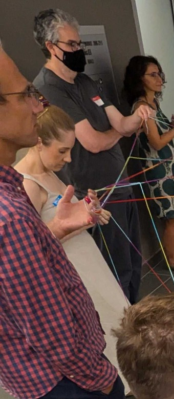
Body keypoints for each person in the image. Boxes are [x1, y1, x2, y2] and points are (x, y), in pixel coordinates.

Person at [0, 42, 125, 399]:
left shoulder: (9, 190)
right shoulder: (7, 212)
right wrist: (103, 377)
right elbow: (51, 330)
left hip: (30, 371)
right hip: (62, 372)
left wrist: (52, 229)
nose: (36, 104)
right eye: (24, 94)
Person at [32, 8, 151, 303]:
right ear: (50, 46)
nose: (78, 50)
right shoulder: (48, 88)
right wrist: (123, 132)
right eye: (71, 45)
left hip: (121, 187)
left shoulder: (85, 83)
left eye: (79, 44)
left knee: (134, 266)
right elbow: (93, 142)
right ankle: (126, 338)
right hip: (98, 198)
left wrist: (138, 116)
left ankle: (134, 320)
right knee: (117, 272)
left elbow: (121, 123)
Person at [15, 106, 129, 379]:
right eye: (62, 151)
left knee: (116, 316)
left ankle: (127, 378)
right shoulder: (27, 184)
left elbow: (64, 215)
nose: (67, 159)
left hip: (88, 260)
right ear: (39, 142)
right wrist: (69, 224)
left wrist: (88, 210)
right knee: (100, 324)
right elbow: (31, 248)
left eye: (70, 151)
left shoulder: (50, 173)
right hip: (71, 270)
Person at [122, 55, 174, 271]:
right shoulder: (142, 107)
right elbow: (155, 143)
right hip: (158, 172)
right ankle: (172, 259)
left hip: (168, 168)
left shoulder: (153, 103)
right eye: (152, 75)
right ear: (140, 78)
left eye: (159, 74)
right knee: (171, 216)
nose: (159, 79)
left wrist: (171, 124)